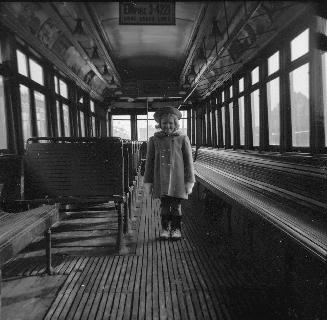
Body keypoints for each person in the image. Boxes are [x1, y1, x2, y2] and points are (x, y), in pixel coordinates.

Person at [143, 106, 195, 240]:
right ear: (160, 124)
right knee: (164, 205)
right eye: (164, 123)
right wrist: (148, 181)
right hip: (161, 178)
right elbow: (149, 162)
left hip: (178, 178)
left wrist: (189, 181)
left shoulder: (183, 138)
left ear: (176, 124)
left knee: (176, 205)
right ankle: (165, 229)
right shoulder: (154, 140)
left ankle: (176, 229)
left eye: (171, 123)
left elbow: (189, 162)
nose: (167, 126)